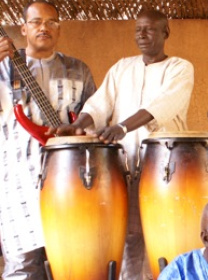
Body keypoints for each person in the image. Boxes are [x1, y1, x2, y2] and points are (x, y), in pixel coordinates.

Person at [50, 9, 194, 280]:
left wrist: (122, 127)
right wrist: (79, 124)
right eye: (138, 28)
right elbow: (99, 103)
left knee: (161, 235)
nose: (141, 34)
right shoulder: (121, 67)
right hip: (122, 166)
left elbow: (161, 106)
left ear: (166, 32)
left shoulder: (180, 68)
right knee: (128, 237)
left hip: (165, 168)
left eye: (149, 29)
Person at [0, 1, 96, 279]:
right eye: (36, 22)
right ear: (23, 28)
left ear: (59, 29)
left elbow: (96, 115)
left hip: (70, 182)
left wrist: (83, 131)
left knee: (71, 263)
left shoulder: (79, 69)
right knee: (23, 267)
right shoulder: (4, 68)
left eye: (52, 22)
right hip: (18, 184)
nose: (44, 27)